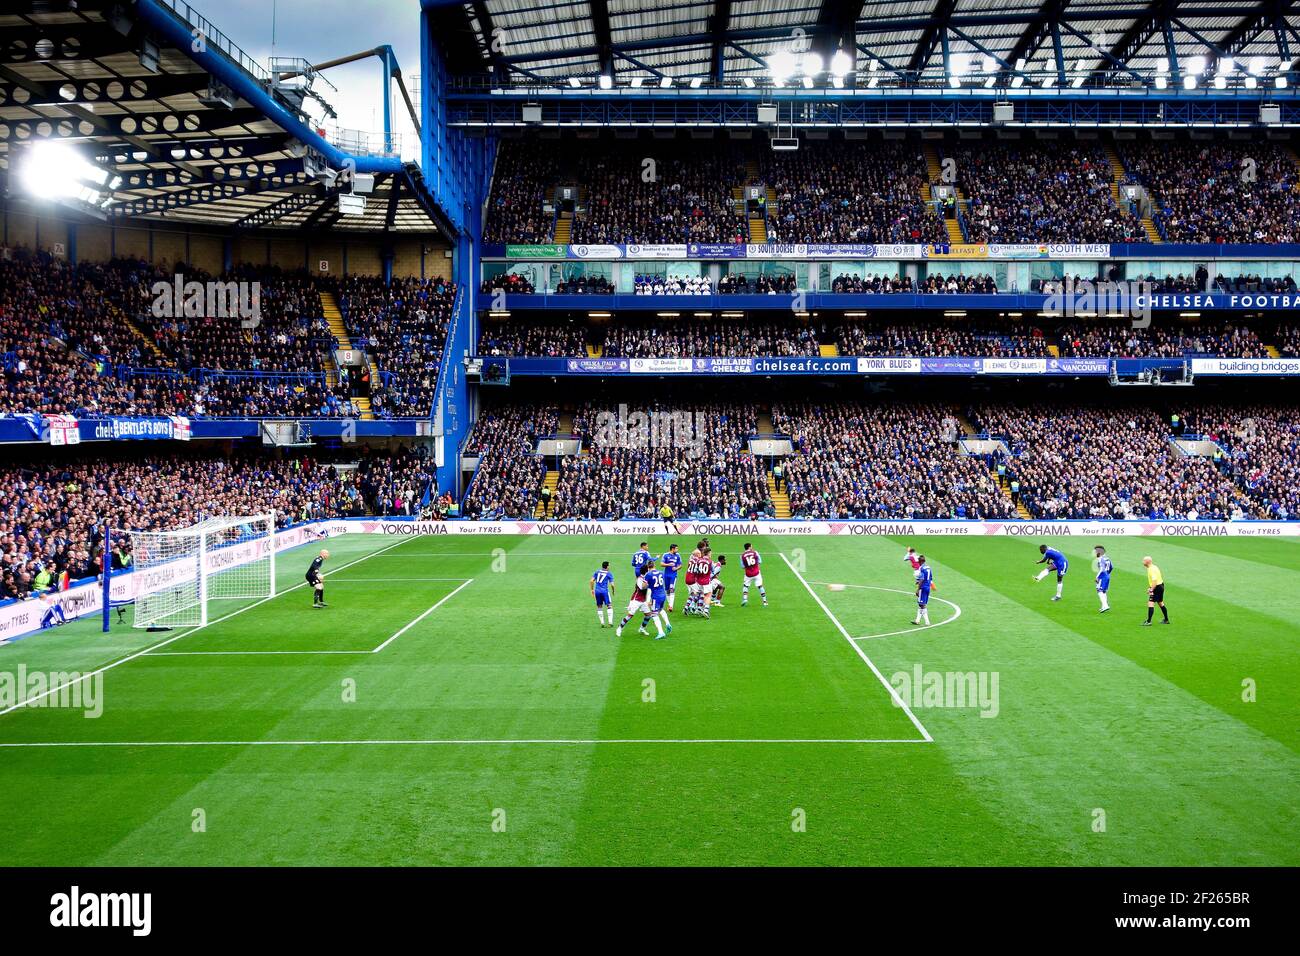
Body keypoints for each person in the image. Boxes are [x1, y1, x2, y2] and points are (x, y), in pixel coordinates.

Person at [1142, 556, 1169, 626]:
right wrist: (1150, 587)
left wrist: (1151, 589)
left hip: (1157, 587)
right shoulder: (1154, 567)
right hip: (1161, 586)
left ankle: (1148, 621)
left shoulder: (1151, 569)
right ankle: (1166, 620)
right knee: (1160, 603)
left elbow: (1154, 580)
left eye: (1144, 561)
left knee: (1150, 603)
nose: (1142, 562)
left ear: (1147, 562)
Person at [741, 542, 768, 607]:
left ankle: (745, 599)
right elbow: (760, 561)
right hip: (756, 573)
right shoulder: (755, 552)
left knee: (745, 586)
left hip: (748, 574)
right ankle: (765, 602)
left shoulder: (742, 555)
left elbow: (742, 566)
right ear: (749, 547)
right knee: (760, 586)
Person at [591, 561, 615, 628]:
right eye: (609, 565)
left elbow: (591, 581)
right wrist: (613, 591)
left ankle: (602, 622)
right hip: (605, 591)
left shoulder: (597, 572)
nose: (609, 567)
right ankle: (610, 622)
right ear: (607, 566)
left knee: (599, 606)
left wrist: (592, 590)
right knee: (609, 605)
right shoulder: (609, 573)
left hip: (597, 591)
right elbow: (612, 585)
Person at [912, 555, 933, 626]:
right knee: (921, 604)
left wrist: (918, 589)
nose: (918, 563)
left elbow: (922, 579)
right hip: (927, 587)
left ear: (921, 561)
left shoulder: (922, 568)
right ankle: (917, 620)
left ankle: (927, 622)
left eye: (918, 562)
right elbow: (930, 578)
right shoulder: (929, 567)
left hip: (923, 588)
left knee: (922, 604)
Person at [660, 543, 681, 612]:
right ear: (672, 549)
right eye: (676, 548)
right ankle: (670, 605)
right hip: (666, 575)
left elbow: (680, 565)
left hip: (673, 575)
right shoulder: (665, 555)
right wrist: (668, 564)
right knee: (667, 590)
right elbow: (661, 564)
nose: (677, 550)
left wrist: (676, 568)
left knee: (672, 589)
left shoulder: (677, 555)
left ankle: (671, 606)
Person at [1094, 546, 1113, 613]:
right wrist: (1108, 574)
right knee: (1104, 591)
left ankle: (1105, 606)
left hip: (1102, 576)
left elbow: (1102, 569)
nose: (1095, 553)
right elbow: (1111, 567)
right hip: (1107, 576)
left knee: (1099, 590)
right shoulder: (1107, 558)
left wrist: (1097, 577)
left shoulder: (1101, 559)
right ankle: (1103, 606)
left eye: (1096, 551)